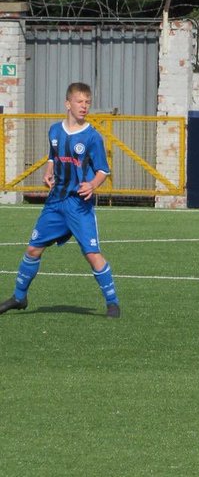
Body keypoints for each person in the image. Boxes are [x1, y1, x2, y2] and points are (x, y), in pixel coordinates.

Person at [0, 82, 120, 318]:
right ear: (68, 104)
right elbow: (53, 156)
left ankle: (113, 303)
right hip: (55, 203)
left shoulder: (92, 137)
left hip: (78, 205)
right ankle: (19, 297)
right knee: (33, 249)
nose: (84, 106)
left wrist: (92, 184)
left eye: (87, 102)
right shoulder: (55, 131)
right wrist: (48, 170)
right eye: (79, 101)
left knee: (92, 254)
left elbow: (103, 170)